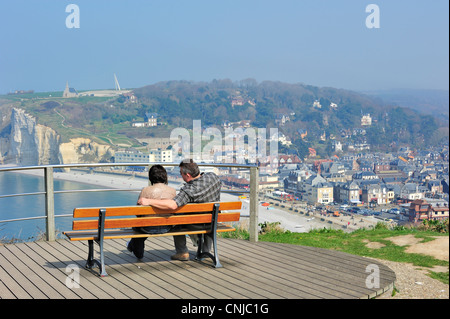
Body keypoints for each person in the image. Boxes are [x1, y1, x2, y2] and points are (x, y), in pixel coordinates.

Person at [137, 159, 221, 261]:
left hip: (197, 223)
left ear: (188, 175)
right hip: (213, 221)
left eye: (181, 173)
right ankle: (206, 250)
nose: (181, 176)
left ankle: (182, 252)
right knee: (209, 217)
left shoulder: (188, 190)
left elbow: (172, 205)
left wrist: (148, 201)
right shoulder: (213, 177)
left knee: (177, 220)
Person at [127, 165, 176, 259]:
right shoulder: (172, 191)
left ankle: (138, 252)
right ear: (165, 176)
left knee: (138, 227)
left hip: (148, 227)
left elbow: (138, 212)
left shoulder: (145, 190)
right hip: (168, 227)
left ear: (151, 177)